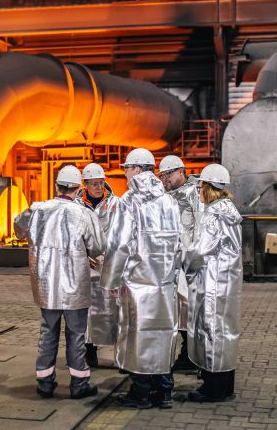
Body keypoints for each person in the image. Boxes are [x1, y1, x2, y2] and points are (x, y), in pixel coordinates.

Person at [14, 165, 105, 400]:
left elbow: (18, 229)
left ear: (56, 186)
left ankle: (45, 384)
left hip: (46, 287)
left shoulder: (37, 209)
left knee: (48, 333)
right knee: (76, 335)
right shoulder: (84, 214)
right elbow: (97, 247)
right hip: (75, 287)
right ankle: (78, 384)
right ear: (78, 189)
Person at [101, 148, 181, 409]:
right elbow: (179, 244)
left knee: (138, 336)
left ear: (137, 169)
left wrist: (111, 280)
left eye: (126, 168)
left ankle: (141, 393)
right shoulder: (169, 201)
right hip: (164, 284)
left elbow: (119, 244)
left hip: (137, 283)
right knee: (162, 334)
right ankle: (164, 391)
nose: (125, 173)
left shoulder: (129, 201)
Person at [184, 163, 242, 403]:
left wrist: (184, 264)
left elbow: (200, 251)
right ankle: (226, 386)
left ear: (208, 188)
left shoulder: (213, 214)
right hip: (227, 283)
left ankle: (213, 389)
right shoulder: (229, 210)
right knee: (225, 333)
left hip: (212, 283)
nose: (198, 192)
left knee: (211, 332)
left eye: (200, 187)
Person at [158, 154, 201, 372]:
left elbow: (201, 226)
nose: (165, 178)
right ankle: (182, 353)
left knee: (189, 308)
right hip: (169, 262)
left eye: (169, 174)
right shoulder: (162, 196)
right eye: (162, 175)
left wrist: (196, 257)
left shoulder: (194, 193)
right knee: (175, 310)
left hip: (188, 262)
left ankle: (190, 355)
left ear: (181, 171)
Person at [76, 163, 120, 367]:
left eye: (101, 183)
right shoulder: (77, 206)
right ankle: (89, 352)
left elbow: (121, 231)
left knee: (115, 311)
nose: (98, 187)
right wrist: (85, 255)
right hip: (85, 266)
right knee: (87, 312)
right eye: (93, 184)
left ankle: (120, 355)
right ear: (85, 185)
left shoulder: (116, 204)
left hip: (109, 263)